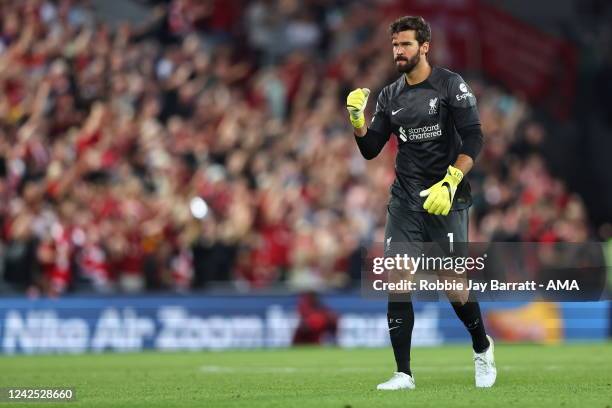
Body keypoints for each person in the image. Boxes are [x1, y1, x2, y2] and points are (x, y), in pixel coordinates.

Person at [346, 16, 496, 390]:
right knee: (398, 277)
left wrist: (452, 179)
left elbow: (474, 137)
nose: (399, 51)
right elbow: (370, 149)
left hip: (447, 196)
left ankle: (482, 347)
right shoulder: (389, 95)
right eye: (395, 45)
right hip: (406, 199)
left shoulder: (450, 85)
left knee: (453, 285)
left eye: (406, 44)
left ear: (424, 46)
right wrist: (357, 121)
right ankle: (403, 373)